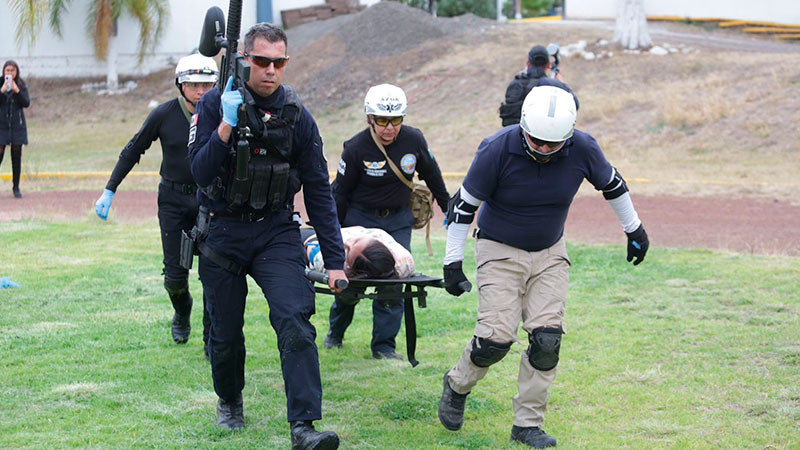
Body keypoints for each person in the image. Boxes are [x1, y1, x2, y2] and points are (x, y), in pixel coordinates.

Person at [438, 85, 649, 448]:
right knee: (494, 340)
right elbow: (463, 207)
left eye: (553, 144)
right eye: (536, 141)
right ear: (523, 128)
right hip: (498, 249)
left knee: (547, 340)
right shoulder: (497, 149)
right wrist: (452, 263)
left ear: (567, 137)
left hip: (550, 252)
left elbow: (613, 185)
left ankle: (527, 425)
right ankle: (457, 384)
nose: (543, 149)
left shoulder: (583, 147)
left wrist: (635, 229)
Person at [188, 23, 346, 449]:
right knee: (224, 334)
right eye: (262, 61)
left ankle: (304, 427)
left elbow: (318, 190)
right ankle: (230, 401)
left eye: (279, 62)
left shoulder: (298, 116)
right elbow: (198, 174)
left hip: (276, 231)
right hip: (222, 231)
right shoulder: (212, 103)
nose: (271, 70)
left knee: (295, 320)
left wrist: (334, 261)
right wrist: (225, 125)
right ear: (244, 60)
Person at [94, 54, 217, 350]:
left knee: (214, 273)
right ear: (180, 85)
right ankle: (182, 311)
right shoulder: (163, 115)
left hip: (211, 199)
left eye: (207, 84)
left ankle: (211, 339)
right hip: (173, 199)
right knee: (174, 277)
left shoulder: (223, 116)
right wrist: (110, 189)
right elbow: (133, 149)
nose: (200, 91)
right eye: (193, 84)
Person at [329, 83, 450, 360]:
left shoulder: (414, 140)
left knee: (393, 282)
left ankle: (384, 347)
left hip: (396, 222)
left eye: (395, 121)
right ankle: (336, 332)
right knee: (352, 284)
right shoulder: (355, 147)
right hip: (360, 222)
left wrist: (449, 207)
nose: (389, 128)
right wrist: (333, 232)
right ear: (369, 118)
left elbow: (432, 175)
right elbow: (341, 193)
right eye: (382, 121)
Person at [499, 45, 579, 127]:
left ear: (528, 63)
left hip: (512, 134)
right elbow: (574, 104)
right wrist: (561, 82)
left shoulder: (514, 84)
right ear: (548, 65)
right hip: (538, 135)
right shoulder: (551, 84)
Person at [302, 225, 415, 280]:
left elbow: (311, 248)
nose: (347, 243)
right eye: (357, 240)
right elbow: (380, 234)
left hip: (308, 238)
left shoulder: (326, 262)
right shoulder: (402, 261)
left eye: (348, 251)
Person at [0, 60, 31, 198]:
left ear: (17, 72)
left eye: (12, 70)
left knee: (16, 157)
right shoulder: (0, 83)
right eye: (7, 70)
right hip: (2, 125)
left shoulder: (21, 84)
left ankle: (16, 187)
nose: (10, 73)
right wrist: (1, 91)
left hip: (17, 126)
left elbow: (26, 103)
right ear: (3, 71)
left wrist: (17, 90)